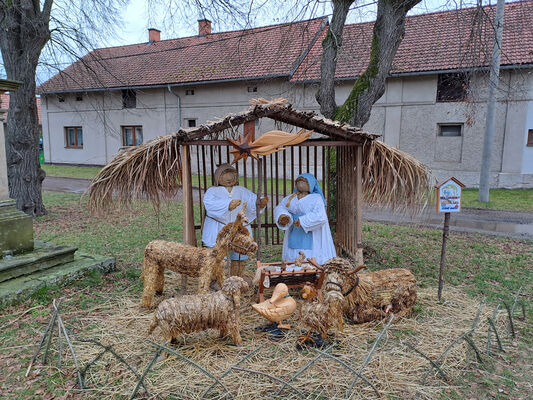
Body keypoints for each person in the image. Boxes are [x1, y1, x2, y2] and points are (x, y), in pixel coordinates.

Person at [202, 163, 268, 276]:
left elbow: (251, 200)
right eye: (225, 175)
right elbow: (210, 204)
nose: (229, 178)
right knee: (219, 258)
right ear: (218, 177)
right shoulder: (212, 191)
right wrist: (227, 205)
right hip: (219, 228)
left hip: (239, 229)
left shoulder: (241, 190)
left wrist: (259, 203)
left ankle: (237, 278)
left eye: (232, 175)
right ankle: (218, 279)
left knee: (239, 255)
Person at [274, 173, 336, 265]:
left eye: (304, 182)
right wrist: (283, 216)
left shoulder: (316, 198)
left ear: (310, 184)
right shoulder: (291, 198)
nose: (301, 185)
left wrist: (302, 221)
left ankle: (312, 266)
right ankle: (293, 266)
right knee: (293, 252)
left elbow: (320, 216)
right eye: (298, 182)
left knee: (311, 253)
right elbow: (281, 207)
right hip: (294, 232)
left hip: (311, 230)